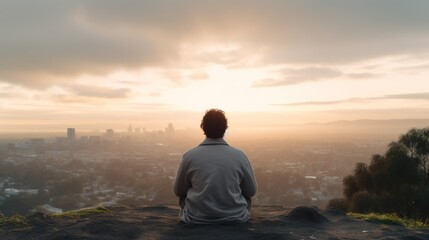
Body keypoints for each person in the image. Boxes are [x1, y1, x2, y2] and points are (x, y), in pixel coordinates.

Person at [173, 109, 257, 224]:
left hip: (196, 218)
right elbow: (251, 191)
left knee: (184, 195)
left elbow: (178, 190)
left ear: (203, 128)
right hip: (235, 218)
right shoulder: (240, 156)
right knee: (246, 196)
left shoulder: (189, 156)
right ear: (225, 128)